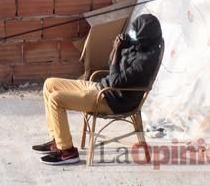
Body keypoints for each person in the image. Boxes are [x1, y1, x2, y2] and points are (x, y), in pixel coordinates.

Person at [33, 14, 164, 165]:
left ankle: (67, 151)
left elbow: (115, 81)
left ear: (144, 35)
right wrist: (117, 49)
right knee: (50, 84)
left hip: (112, 100)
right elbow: (110, 63)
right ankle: (58, 139)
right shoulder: (138, 45)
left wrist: (118, 50)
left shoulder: (145, 61)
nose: (132, 33)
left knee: (57, 98)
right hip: (103, 87)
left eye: (136, 31)